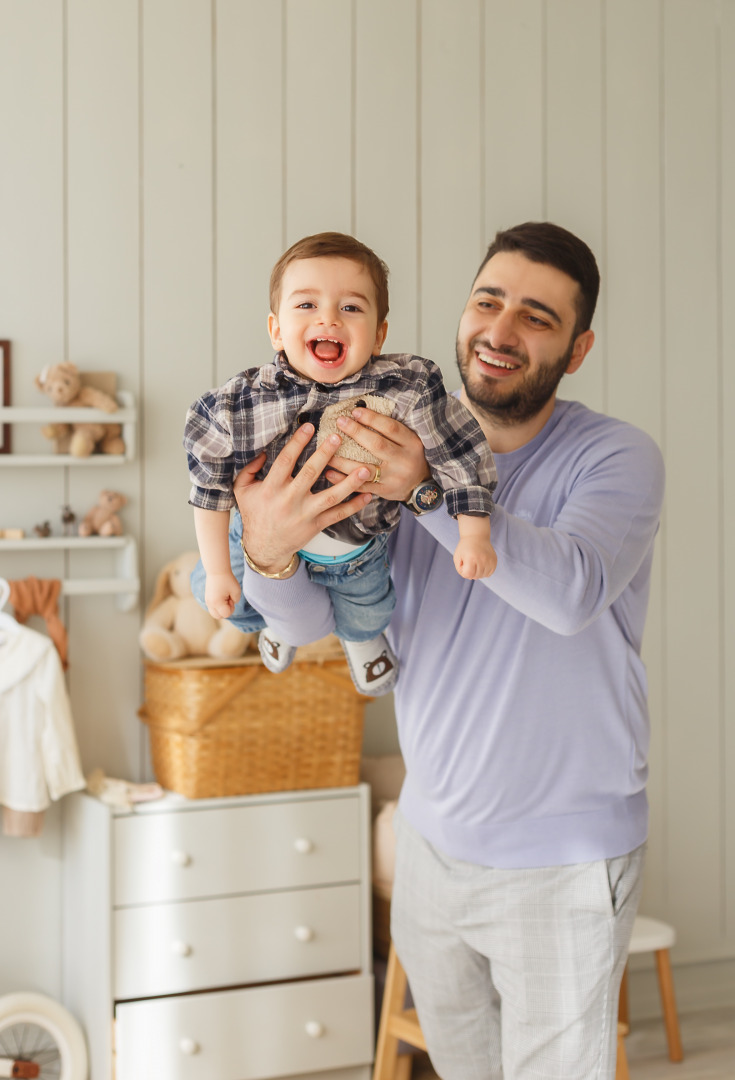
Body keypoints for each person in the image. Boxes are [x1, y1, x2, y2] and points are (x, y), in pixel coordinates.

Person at [225, 221, 665, 1080]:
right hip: (431, 849)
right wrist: (271, 550)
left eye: (536, 318)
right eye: (486, 301)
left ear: (575, 351)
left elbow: (570, 589)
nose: (499, 332)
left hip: (564, 863)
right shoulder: (387, 432)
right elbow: (317, 619)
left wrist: (424, 487)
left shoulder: (613, 457)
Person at [185, 231, 497, 696]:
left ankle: (363, 642)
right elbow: (207, 479)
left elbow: (458, 449)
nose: (328, 317)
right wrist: (217, 571)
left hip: (355, 549)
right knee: (220, 595)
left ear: (379, 335)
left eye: (350, 307)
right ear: (276, 330)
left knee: (369, 611)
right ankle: (275, 623)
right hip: (256, 535)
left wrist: (474, 533)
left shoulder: (404, 389)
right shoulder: (244, 403)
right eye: (307, 305)